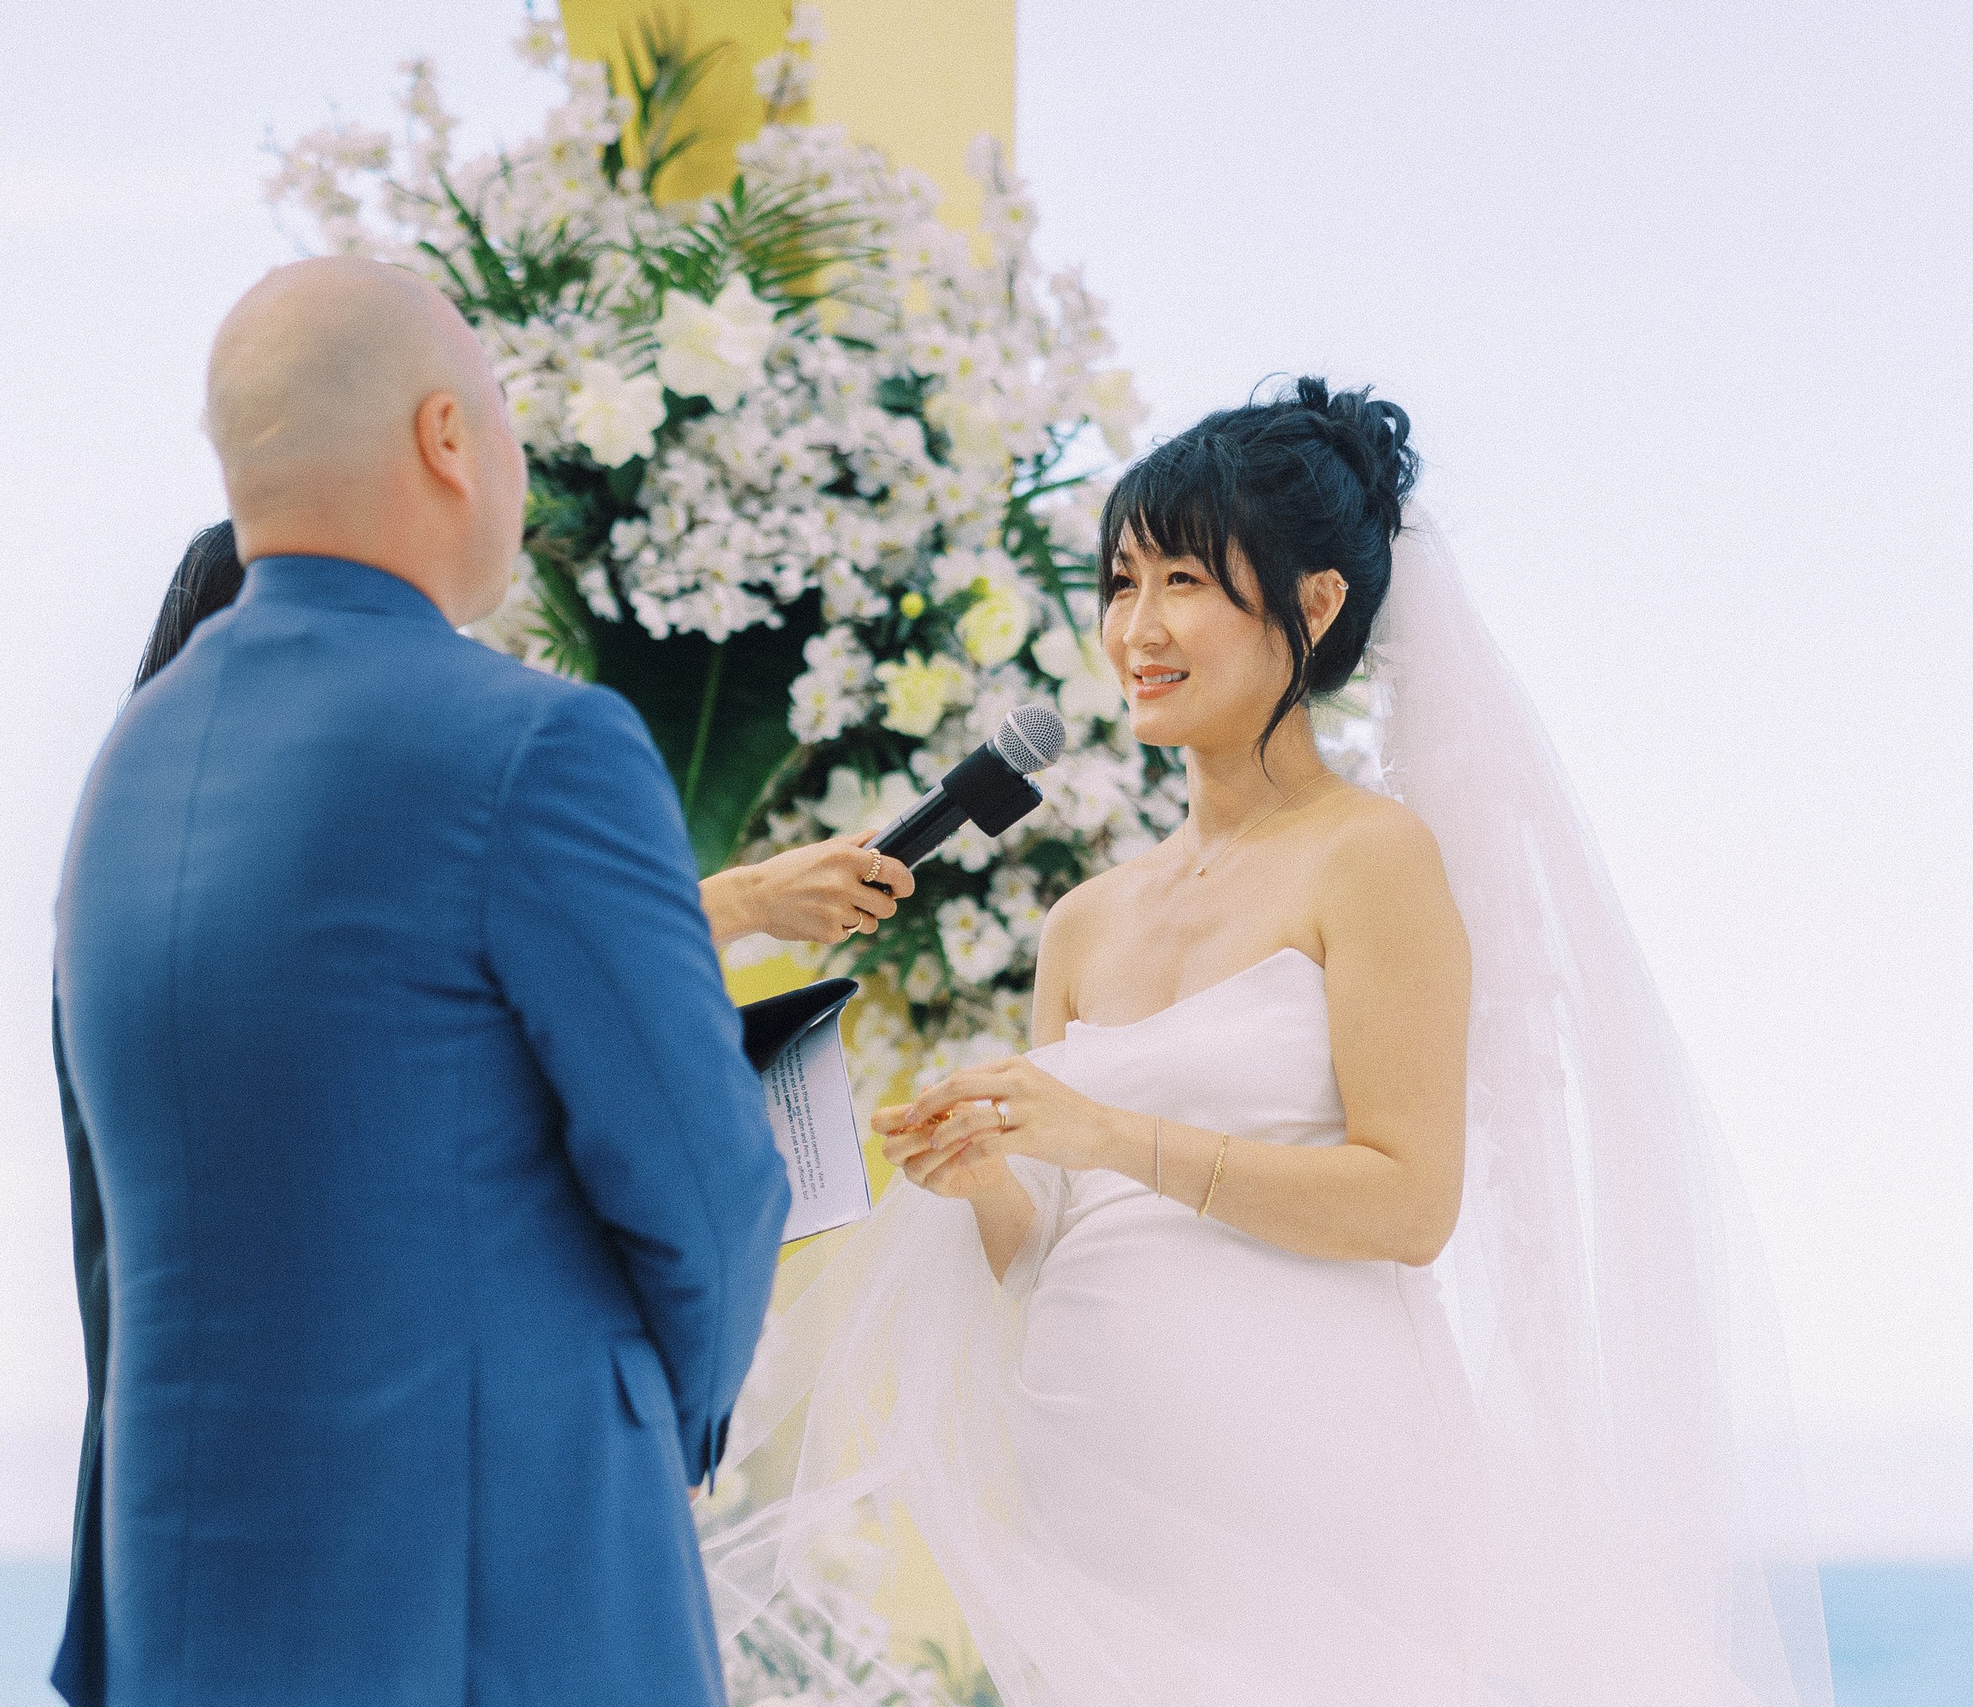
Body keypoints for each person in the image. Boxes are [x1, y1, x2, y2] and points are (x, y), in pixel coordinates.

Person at [702, 380, 1834, 1706]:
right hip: (1094, 1476)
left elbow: (1409, 1203)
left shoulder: (1371, 858)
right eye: (1122, 582)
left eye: (1184, 581)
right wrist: (985, 1175)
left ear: (1315, 604)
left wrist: (1105, 1131)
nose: (1138, 626)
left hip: (1306, 1470)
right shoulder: (1084, 922)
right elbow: (1043, 1255)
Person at [50, 255, 806, 1707]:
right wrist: (661, 1432)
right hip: (498, 1610)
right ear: (448, 437)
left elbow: (112, 1247)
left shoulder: (127, 772)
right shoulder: (535, 748)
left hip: (190, 1626)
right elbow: (709, 1188)